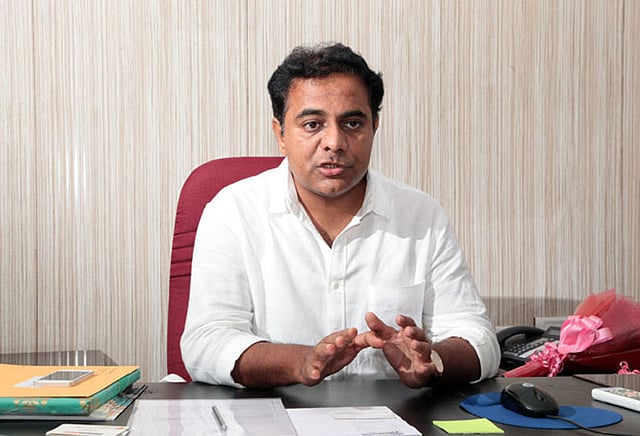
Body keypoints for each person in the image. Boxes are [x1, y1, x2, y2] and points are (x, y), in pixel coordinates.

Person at [181, 42, 500, 388]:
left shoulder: (420, 215)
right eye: (312, 124)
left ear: (375, 126)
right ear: (280, 134)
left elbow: (478, 338)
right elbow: (205, 343)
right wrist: (300, 363)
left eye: (352, 123)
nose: (334, 142)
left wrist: (432, 361)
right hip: (275, 412)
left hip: (397, 413)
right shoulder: (233, 212)